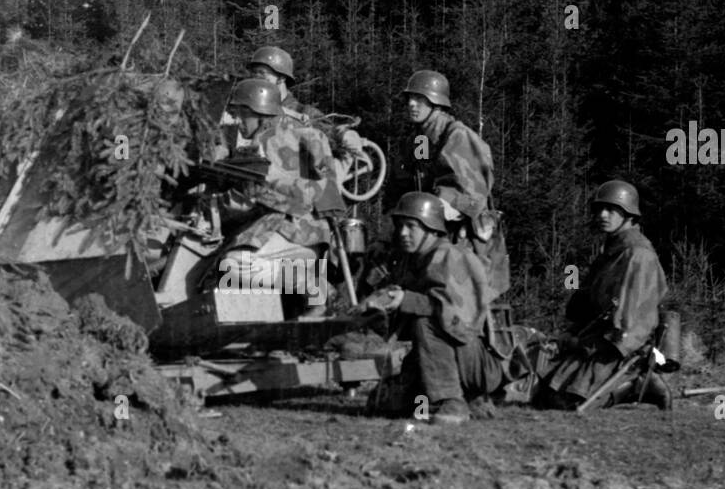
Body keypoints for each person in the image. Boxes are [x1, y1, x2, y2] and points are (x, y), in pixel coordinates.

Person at [363, 191, 505, 425]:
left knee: (425, 321)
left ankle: (452, 402)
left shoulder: (451, 256)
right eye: (400, 226)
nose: (403, 233)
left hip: (474, 358)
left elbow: (454, 319)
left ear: (431, 228)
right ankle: (471, 400)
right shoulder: (416, 259)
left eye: (411, 226)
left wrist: (405, 300)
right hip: (437, 358)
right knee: (383, 403)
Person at [210, 78, 343, 317]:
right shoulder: (259, 143)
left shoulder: (293, 131)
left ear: (259, 112)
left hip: (298, 231)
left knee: (232, 265)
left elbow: (325, 188)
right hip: (281, 229)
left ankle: (314, 286)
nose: (237, 122)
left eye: (242, 114)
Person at [533, 180, 670, 410]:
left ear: (629, 215)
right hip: (597, 339)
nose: (602, 215)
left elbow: (632, 324)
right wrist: (571, 336)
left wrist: (585, 345)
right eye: (599, 209)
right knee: (543, 394)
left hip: (617, 348)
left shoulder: (637, 255)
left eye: (612, 210)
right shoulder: (612, 250)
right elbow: (587, 300)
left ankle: (640, 385)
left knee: (567, 402)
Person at [396, 70, 507, 301]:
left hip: (463, 237)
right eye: (410, 99)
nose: (412, 104)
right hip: (428, 231)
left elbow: (472, 197)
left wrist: (430, 205)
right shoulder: (420, 138)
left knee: (452, 300)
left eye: (420, 99)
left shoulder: (458, 136)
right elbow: (414, 183)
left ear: (436, 102)